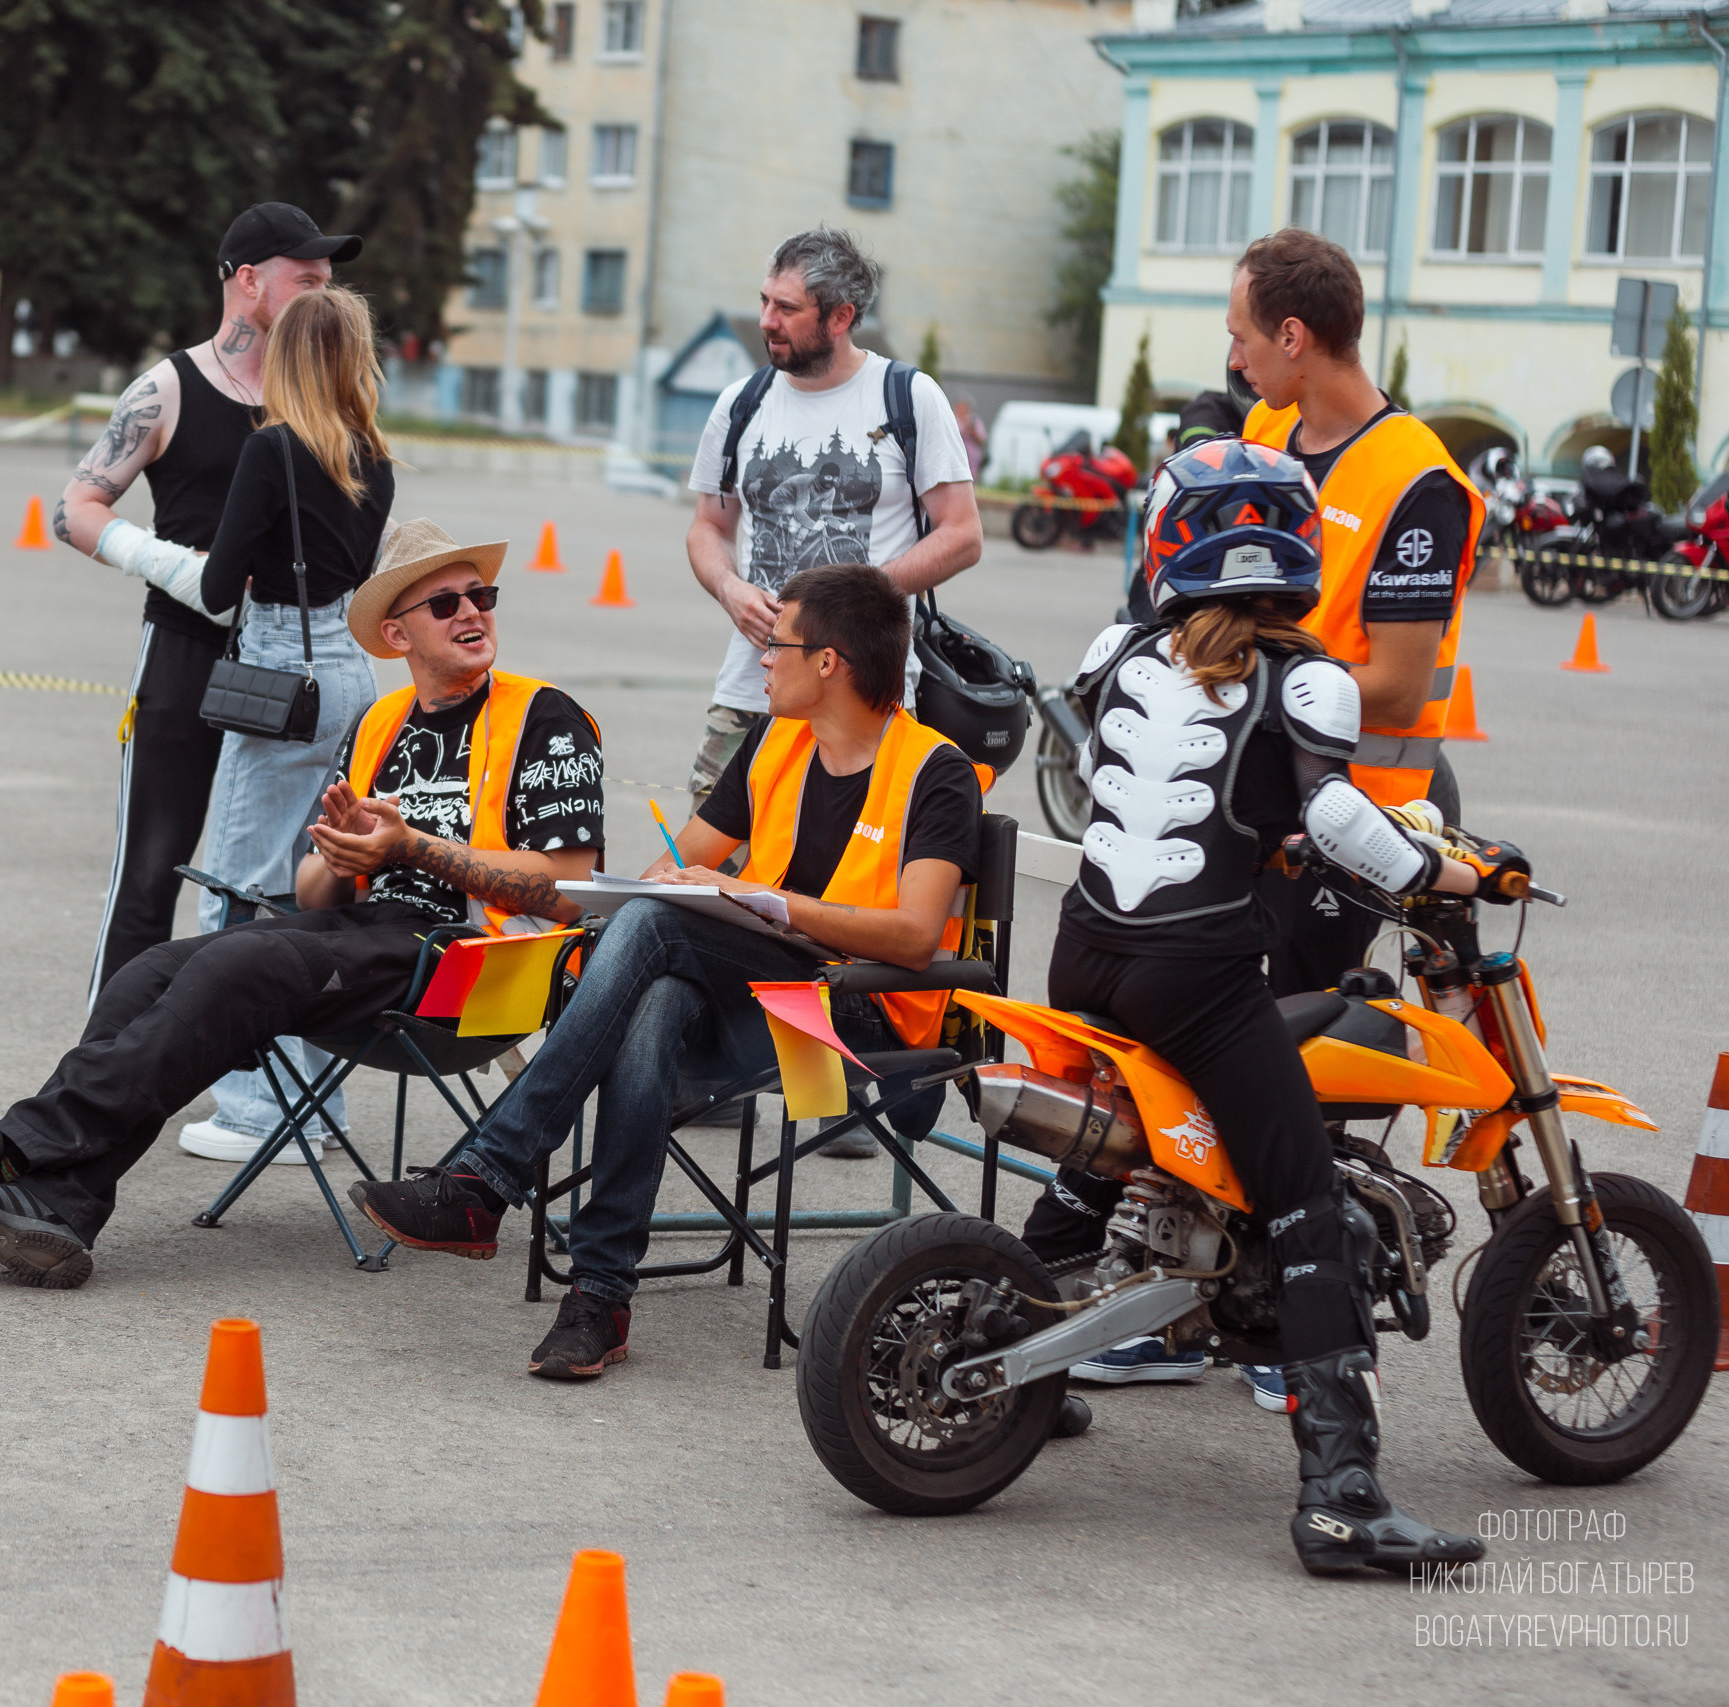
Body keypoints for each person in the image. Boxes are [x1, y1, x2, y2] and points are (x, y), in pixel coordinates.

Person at [0, 521, 606, 1288]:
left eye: (481, 596)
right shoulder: (379, 724)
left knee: (247, 963)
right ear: (396, 633)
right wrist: (343, 854)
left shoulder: (545, 718)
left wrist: (409, 847)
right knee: (151, 972)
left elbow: (566, 887)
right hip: (376, 938)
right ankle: (60, 1204)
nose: (471, 613)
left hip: (482, 963)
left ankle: (11, 1148)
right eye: (445, 602)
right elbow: (319, 890)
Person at [1018, 439, 1490, 1577]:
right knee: (1305, 1206)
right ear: (1291, 544)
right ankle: (1343, 1497)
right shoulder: (1309, 677)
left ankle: (1028, 1362)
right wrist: (1442, 877)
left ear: (1174, 542)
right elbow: (1332, 822)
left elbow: (1129, 788)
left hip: (1081, 957)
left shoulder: (1117, 648)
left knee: (1105, 1157)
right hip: (1194, 974)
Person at [352, 564, 982, 1380]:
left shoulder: (937, 772)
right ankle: (597, 1294)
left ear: (828, 661)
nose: (760, 656)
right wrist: (612, 914)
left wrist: (760, 897)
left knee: (655, 941)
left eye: (774, 641)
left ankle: (490, 1181)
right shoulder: (772, 743)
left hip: (854, 1016)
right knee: (651, 989)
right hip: (758, 1002)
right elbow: (668, 871)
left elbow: (912, 935)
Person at [682, 228, 981, 1157]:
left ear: (841, 315)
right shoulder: (740, 402)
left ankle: (841, 1077)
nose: (766, 321)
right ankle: (711, 1070)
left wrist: (854, 608)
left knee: (846, 886)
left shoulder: (905, 395)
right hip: (753, 691)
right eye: (765, 301)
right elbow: (705, 526)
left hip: (866, 698)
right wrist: (732, 588)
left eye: (785, 308)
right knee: (706, 886)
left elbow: (962, 534)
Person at [53, 202, 358, 1012]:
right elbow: (74, 510)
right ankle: (103, 1065)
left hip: (294, 661)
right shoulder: (168, 386)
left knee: (275, 879)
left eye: (331, 282)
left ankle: (247, 1078)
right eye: (309, 280)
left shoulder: (326, 393)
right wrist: (183, 568)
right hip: (188, 651)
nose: (325, 297)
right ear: (249, 281)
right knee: (151, 870)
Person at [174, 285, 397, 1168]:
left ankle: (253, 1106)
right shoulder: (372, 455)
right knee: (320, 885)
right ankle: (317, 1094)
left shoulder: (272, 450)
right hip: (351, 672)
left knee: (236, 886)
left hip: (279, 670)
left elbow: (222, 584)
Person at [1229, 229, 1482, 996]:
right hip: (1261, 784)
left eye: (1241, 338)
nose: (1236, 359)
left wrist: (1254, 677)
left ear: (1293, 337)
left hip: (1359, 805)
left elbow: (1401, 686)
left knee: (1310, 1038)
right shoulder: (1265, 431)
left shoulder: (1416, 482)